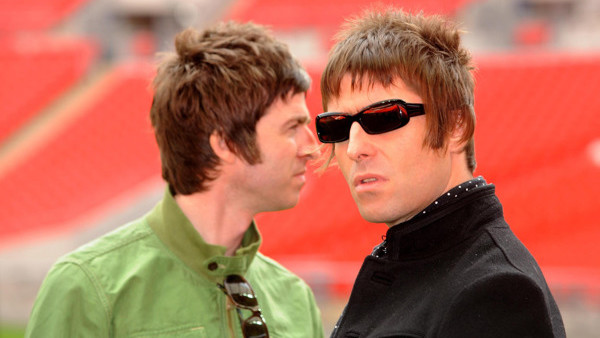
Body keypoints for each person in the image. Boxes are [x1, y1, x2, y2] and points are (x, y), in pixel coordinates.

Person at [26, 22, 324, 337]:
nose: (311, 147)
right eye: (291, 127)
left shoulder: (296, 300)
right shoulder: (87, 287)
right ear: (225, 144)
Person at [315, 9, 566, 338]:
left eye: (384, 118)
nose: (354, 148)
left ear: (456, 126)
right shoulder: (422, 263)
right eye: (339, 126)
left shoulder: (495, 293)